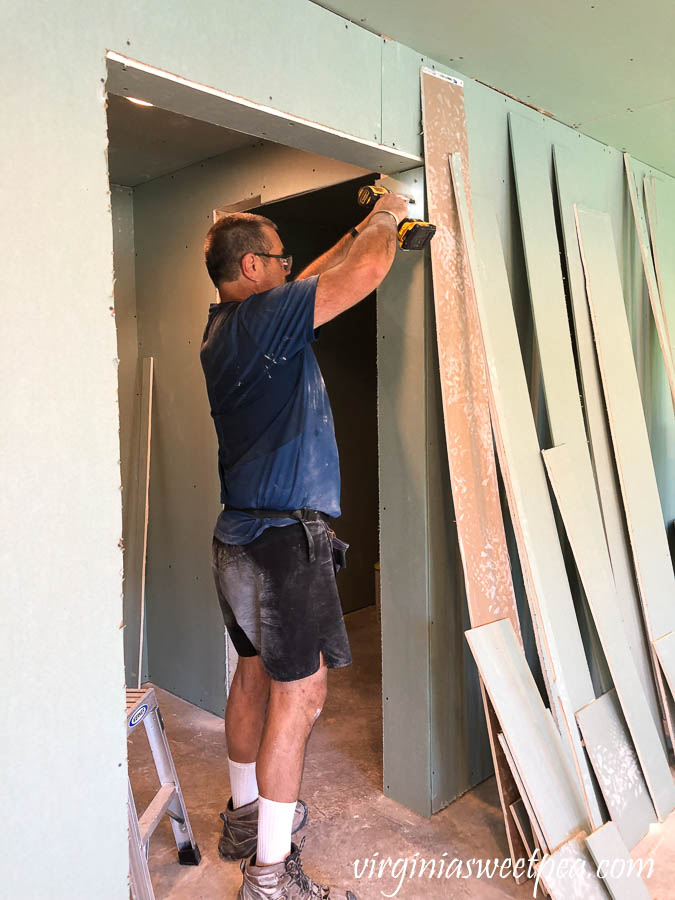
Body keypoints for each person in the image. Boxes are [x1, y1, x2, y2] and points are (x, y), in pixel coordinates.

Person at [200, 188, 408, 900]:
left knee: (254, 675)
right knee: (304, 695)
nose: (289, 266)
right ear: (254, 266)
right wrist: (389, 214)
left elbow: (312, 275)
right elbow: (361, 276)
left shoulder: (230, 325)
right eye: (280, 257)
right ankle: (269, 879)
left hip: (237, 535)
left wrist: (354, 225)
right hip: (282, 542)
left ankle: (243, 818)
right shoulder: (265, 320)